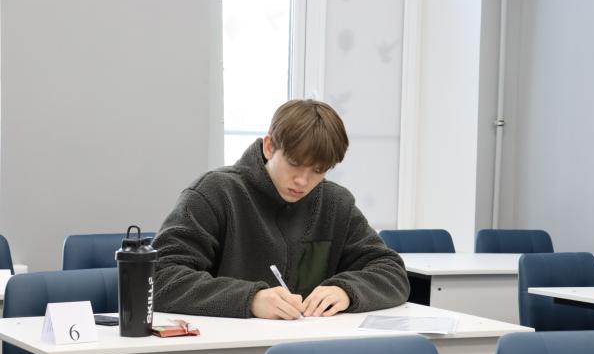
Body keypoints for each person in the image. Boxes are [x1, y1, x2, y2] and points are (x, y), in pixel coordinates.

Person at [153, 99, 409, 320]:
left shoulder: (335, 203)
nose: (303, 181)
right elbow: (159, 277)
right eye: (294, 163)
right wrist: (250, 299)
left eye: (318, 170)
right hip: (223, 350)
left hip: (310, 347)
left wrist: (347, 291)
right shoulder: (215, 192)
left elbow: (391, 271)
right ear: (269, 147)